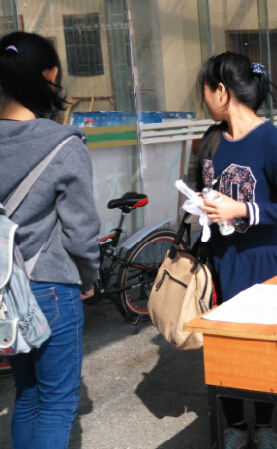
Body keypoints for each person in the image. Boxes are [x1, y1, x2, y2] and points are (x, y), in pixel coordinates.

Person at [195, 51, 277, 449]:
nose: (204, 99)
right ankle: (237, 425)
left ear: (222, 92)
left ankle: (266, 426)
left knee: (263, 351)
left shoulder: (272, 139)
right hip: (223, 260)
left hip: (265, 262)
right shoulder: (211, 140)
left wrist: (239, 209)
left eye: (206, 91)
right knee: (225, 350)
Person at [0, 31, 101, 449]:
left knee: (27, 394)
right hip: (51, 287)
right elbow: (81, 232)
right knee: (57, 402)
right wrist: (89, 278)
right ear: (51, 75)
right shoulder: (62, 144)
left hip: (6, 291)